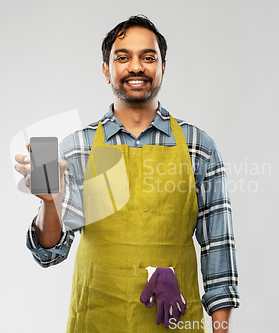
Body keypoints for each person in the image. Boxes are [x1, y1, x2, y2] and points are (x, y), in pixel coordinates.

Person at [14, 15, 239, 333]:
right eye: (123, 57)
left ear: (163, 68)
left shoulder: (196, 146)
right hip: (98, 318)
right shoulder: (78, 148)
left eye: (148, 57)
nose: (137, 67)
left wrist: (221, 328)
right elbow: (50, 253)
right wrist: (49, 201)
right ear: (106, 69)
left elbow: (218, 243)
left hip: (174, 322)